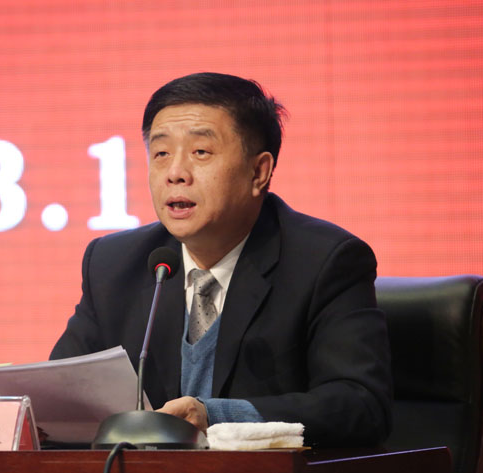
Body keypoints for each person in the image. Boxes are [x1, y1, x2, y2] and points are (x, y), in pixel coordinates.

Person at [51, 72, 392, 446]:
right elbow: (59, 395)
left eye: (200, 152)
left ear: (258, 172)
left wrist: (215, 416)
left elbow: (360, 406)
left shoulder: (324, 262)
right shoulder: (114, 264)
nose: (175, 173)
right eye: (161, 154)